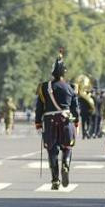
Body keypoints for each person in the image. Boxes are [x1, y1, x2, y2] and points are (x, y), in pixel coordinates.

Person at [34, 53, 79, 190]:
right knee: (67, 147)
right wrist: (76, 122)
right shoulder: (70, 87)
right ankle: (65, 163)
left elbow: (39, 107)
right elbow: (75, 108)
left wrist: (38, 122)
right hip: (66, 120)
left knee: (52, 151)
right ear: (64, 73)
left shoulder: (44, 87)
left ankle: (55, 181)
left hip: (49, 121)